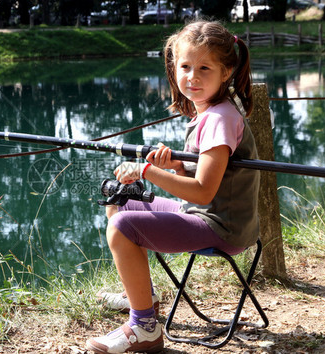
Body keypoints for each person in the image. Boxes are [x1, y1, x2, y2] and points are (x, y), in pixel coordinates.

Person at [86, 20, 259, 354]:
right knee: (120, 199)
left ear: (226, 72)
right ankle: (143, 296)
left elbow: (203, 191)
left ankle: (145, 328)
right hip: (206, 213)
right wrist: (176, 165)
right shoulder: (210, 110)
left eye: (204, 68)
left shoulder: (219, 118)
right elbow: (206, 173)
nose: (192, 77)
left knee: (122, 227)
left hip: (221, 225)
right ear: (173, 67)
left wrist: (148, 171)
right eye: (185, 67)